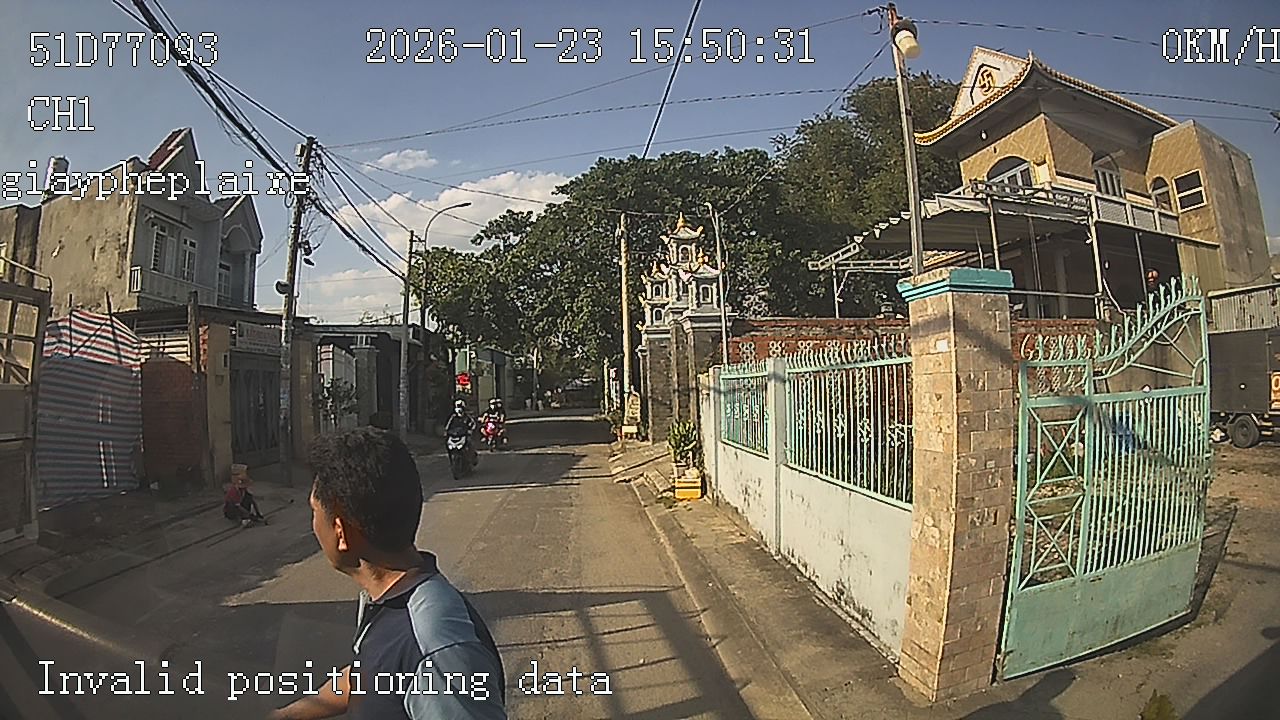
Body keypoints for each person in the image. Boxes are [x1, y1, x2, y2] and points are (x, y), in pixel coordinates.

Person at [269, 428, 506, 720]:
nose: (313, 525)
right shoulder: (392, 600)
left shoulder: (432, 646)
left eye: (314, 512)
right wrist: (288, 715)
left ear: (341, 532)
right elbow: (372, 674)